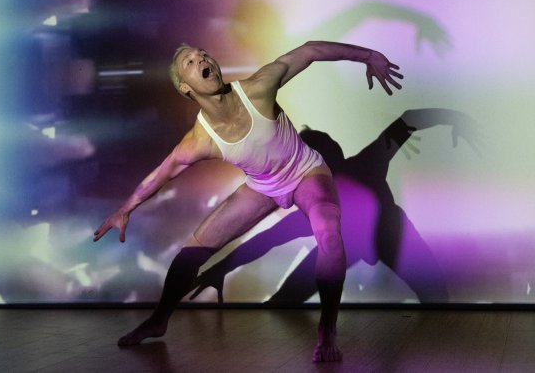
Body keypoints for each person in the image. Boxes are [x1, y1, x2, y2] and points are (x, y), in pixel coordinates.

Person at [93, 40, 403, 362]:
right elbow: (161, 174)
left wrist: (369, 55)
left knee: (328, 232)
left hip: (306, 172)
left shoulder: (258, 88)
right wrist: (125, 209)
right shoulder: (200, 140)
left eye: (202, 54)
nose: (202, 58)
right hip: (263, 186)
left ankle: (327, 328)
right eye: (190, 61)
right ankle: (159, 320)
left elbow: (309, 51)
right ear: (186, 87)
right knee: (191, 253)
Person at [189, 109, 482, 305]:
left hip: (389, 234)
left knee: (437, 296)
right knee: (283, 301)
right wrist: (221, 269)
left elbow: (407, 120)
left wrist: (458, 119)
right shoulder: (324, 199)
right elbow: (268, 239)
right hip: (355, 242)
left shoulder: (363, 166)